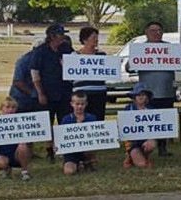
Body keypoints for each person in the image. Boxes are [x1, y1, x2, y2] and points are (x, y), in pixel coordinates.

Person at [31, 24, 74, 163]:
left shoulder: (66, 49)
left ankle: (64, 149)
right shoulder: (40, 52)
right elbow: (35, 73)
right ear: (52, 36)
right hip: (47, 93)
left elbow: (77, 63)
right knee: (47, 123)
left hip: (65, 92)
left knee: (65, 121)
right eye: (60, 34)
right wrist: (40, 93)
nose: (63, 37)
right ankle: (49, 150)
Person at [136, 21, 175, 156]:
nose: (156, 33)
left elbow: (179, 65)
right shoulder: (140, 49)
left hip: (166, 91)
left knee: (164, 121)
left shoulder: (170, 48)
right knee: (148, 121)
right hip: (147, 93)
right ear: (146, 33)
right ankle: (145, 148)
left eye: (159, 30)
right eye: (153, 31)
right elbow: (129, 67)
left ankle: (162, 148)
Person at [72, 26, 107, 121]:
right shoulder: (73, 56)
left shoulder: (102, 56)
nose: (96, 40)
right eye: (94, 37)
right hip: (81, 94)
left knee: (98, 119)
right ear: (85, 39)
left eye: (97, 37)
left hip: (99, 93)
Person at [0, 97, 32, 181]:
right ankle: (6, 169)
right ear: (1, 108)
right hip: (3, 154)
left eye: (13, 107)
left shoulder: (22, 121)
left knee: (23, 146)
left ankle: (24, 172)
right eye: (7, 107)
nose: (10, 110)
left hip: (18, 153)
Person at [59, 91, 97, 175]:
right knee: (69, 172)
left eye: (82, 104)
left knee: (91, 154)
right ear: (72, 104)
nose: (80, 106)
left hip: (87, 150)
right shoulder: (66, 119)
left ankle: (87, 162)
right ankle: (77, 164)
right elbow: (61, 137)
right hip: (71, 153)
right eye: (77, 104)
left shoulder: (92, 118)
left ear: (86, 104)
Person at [122, 83, 157, 170]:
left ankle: (145, 155)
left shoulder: (151, 110)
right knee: (142, 165)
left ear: (147, 97)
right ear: (134, 97)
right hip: (133, 143)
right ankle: (130, 156)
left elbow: (156, 129)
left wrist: (150, 139)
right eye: (138, 95)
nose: (141, 97)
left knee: (151, 144)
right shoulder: (128, 109)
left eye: (143, 95)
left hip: (146, 139)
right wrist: (128, 146)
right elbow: (123, 129)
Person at [9, 47, 39, 113]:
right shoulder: (24, 60)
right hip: (21, 100)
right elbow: (17, 82)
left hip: (35, 100)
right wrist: (35, 95)